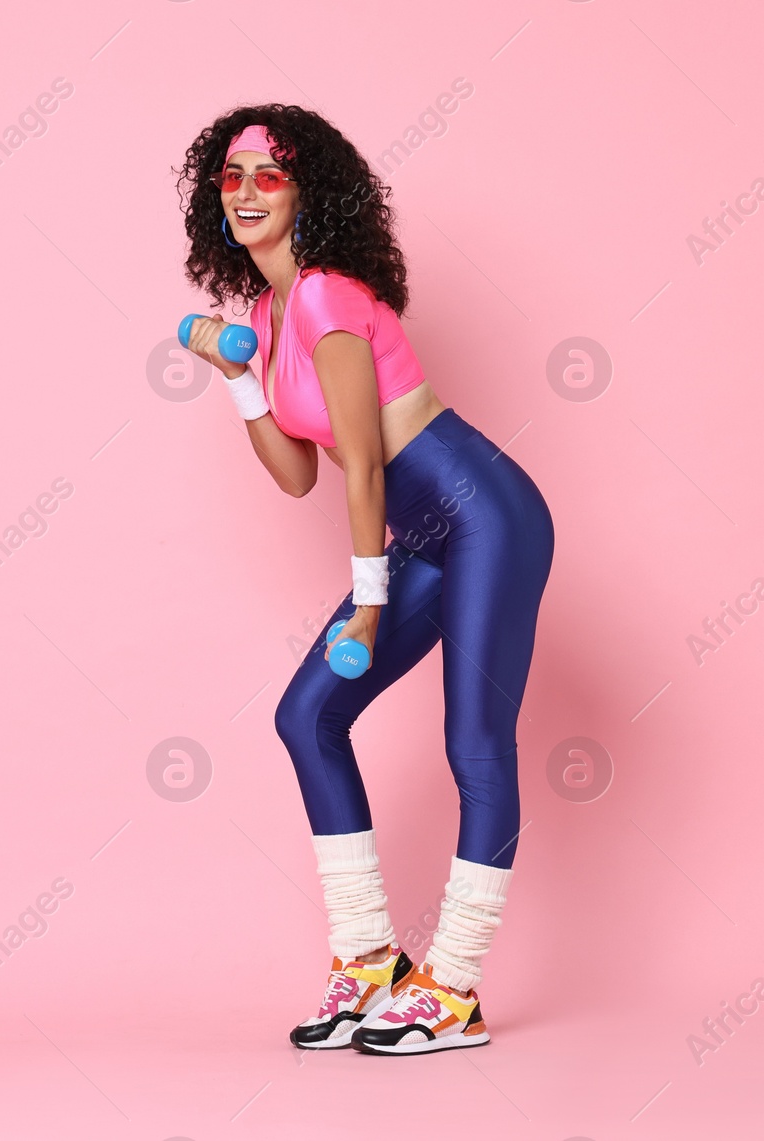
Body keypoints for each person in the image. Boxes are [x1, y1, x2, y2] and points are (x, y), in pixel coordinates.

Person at [175, 105, 555, 1055]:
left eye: (270, 174)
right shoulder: (265, 316)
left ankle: (454, 984)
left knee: (473, 742)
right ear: (214, 202)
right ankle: (370, 958)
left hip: (487, 517)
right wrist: (235, 379)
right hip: (424, 536)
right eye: (233, 176)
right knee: (307, 717)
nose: (249, 190)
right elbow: (294, 471)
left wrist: (371, 605)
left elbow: (363, 464)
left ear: (309, 191)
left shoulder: (324, 297)